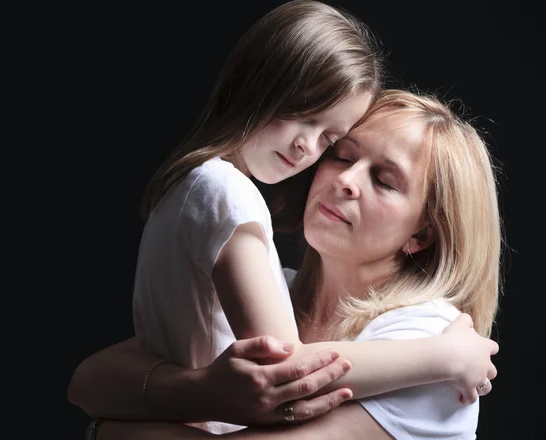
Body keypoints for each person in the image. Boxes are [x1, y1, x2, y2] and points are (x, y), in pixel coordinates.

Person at [69, 88, 502, 440]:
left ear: (421, 235)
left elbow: (106, 398)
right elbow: (87, 382)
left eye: (384, 181)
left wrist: (113, 429)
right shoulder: (275, 293)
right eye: (343, 155)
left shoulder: (430, 336)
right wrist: (206, 391)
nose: (346, 182)